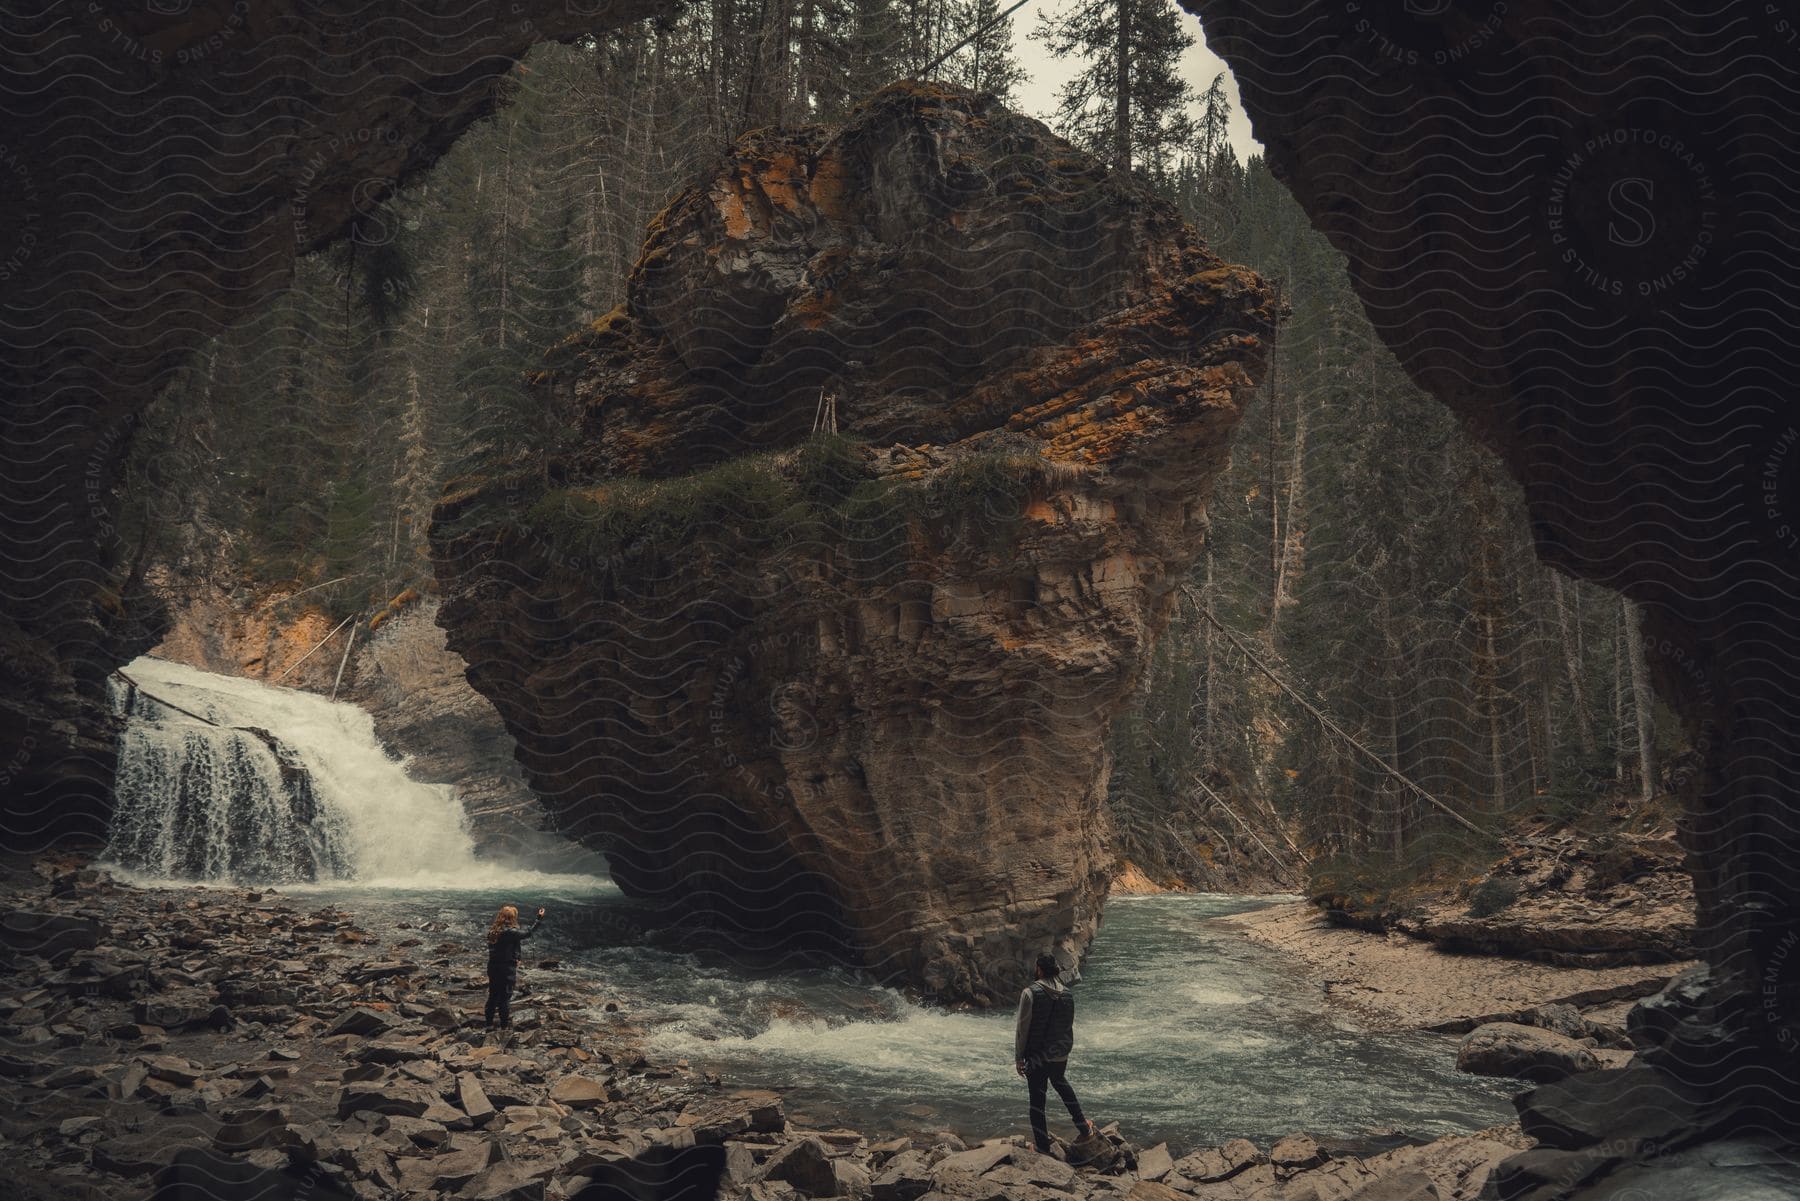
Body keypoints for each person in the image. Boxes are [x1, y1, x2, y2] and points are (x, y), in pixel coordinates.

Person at [1014, 952, 1098, 1155]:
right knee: (1061, 1084)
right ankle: (1084, 1128)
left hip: (1036, 1056)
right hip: (1059, 1053)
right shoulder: (1068, 994)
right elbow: (1067, 1026)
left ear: (1039, 970)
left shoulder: (1030, 992)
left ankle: (1042, 1147)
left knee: (1037, 1100)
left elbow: (1022, 1028)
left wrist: (1019, 1057)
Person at [484, 903, 545, 1029]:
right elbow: (529, 933)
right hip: (506, 970)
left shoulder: (493, 931)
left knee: (493, 996)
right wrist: (539, 918)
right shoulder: (511, 932)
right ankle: (504, 1028)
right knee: (504, 999)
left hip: (493, 968)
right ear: (512, 918)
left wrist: (517, 957)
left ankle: (488, 1025)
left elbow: (504, 947)